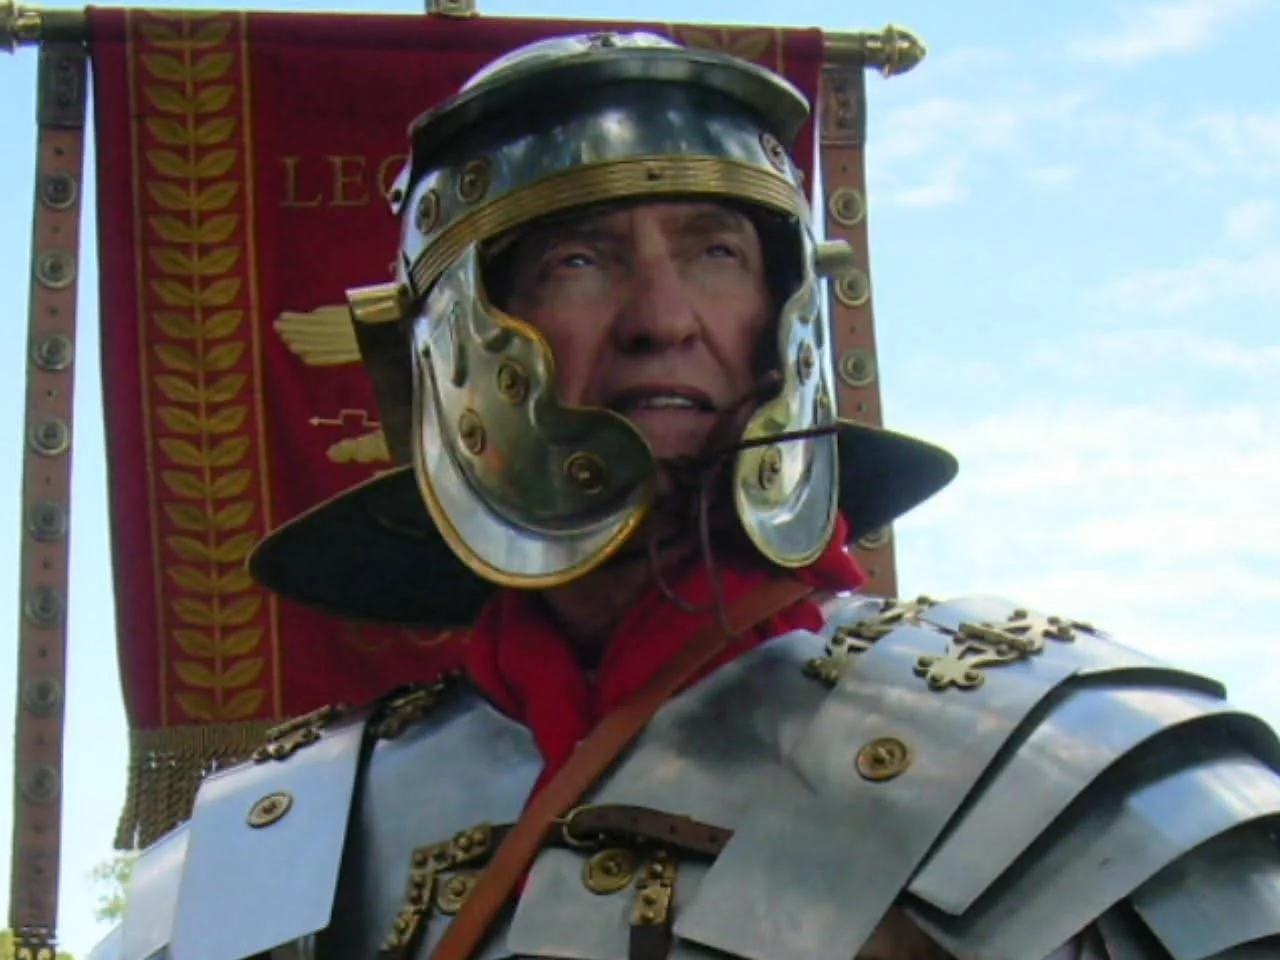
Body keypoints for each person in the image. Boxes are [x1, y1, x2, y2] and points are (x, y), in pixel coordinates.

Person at [92, 32, 1280, 960]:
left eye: (715, 252)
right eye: (580, 260)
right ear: (448, 350)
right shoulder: (281, 832)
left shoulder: (1056, 763)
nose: (665, 318)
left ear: (786, 312)